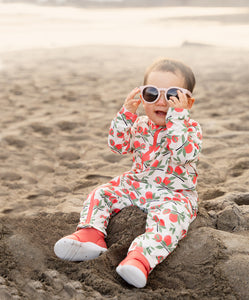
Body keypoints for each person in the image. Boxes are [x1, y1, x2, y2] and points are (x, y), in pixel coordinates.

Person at [54, 58, 202, 288]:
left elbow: (183, 154)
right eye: (152, 93)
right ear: (142, 97)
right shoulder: (140, 124)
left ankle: (140, 258)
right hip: (137, 184)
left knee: (171, 222)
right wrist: (126, 114)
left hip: (174, 193)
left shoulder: (190, 128)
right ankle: (91, 235)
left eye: (172, 95)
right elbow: (117, 146)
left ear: (187, 102)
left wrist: (178, 119)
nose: (161, 101)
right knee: (101, 193)